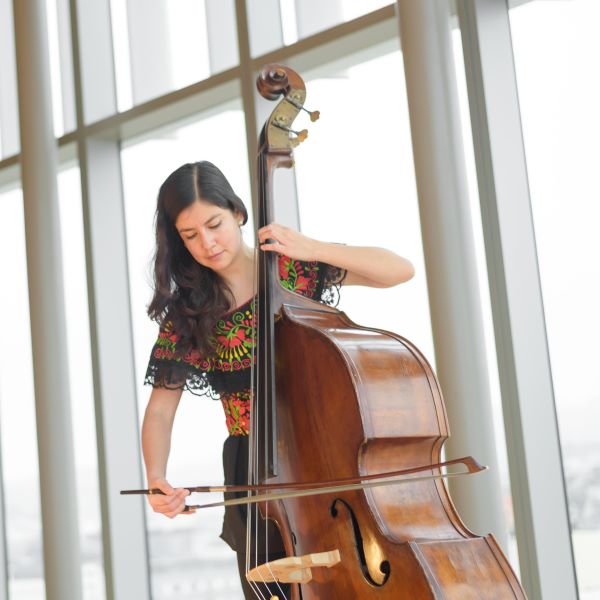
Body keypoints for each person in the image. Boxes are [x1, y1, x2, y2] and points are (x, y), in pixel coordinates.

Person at [141, 160, 415, 598]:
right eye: (190, 236)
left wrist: (315, 247)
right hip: (253, 469)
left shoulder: (294, 270)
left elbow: (398, 271)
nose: (207, 243)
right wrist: (156, 476)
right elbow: (160, 409)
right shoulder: (189, 313)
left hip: (321, 454)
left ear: (238, 213)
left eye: (214, 225)